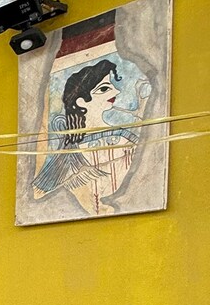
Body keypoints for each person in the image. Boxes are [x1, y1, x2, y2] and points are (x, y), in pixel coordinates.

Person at [33, 57, 145, 214]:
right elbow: (41, 192)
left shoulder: (124, 137)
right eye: (104, 89)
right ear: (81, 102)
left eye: (112, 86)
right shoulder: (69, 153)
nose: (116, 91)